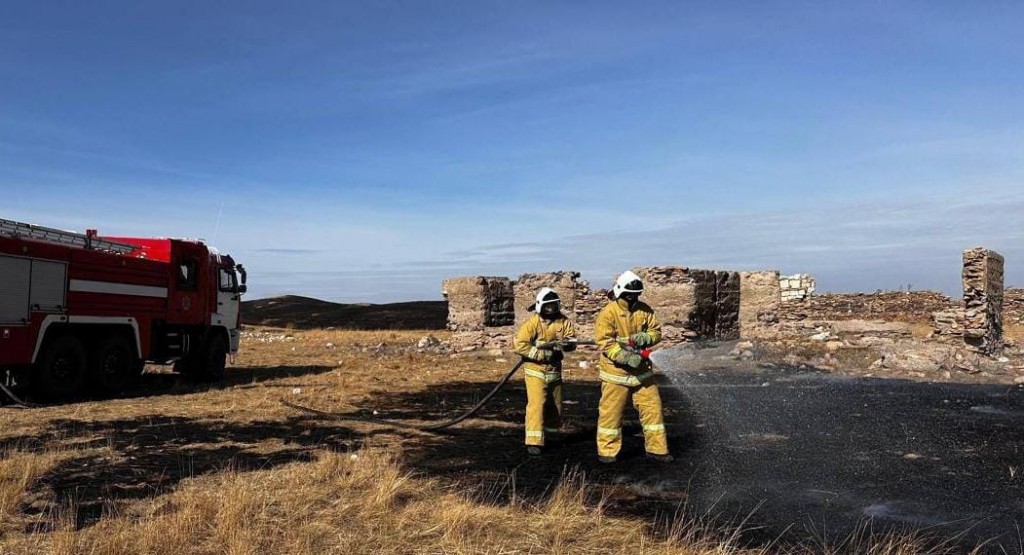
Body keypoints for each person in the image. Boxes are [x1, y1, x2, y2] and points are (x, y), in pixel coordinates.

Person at [594, 270, 672, 463]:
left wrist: (645, 337)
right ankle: (608, 452)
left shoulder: (645, 310)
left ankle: (657, 449)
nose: (633, 298)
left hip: (642, 374)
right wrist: (625, 357)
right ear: (620, 292)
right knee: (611, 414)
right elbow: (605, 343)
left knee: (653, 410)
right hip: (616, 375)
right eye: (629, 294)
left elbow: (656, 332)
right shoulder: (608, 313)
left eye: (636, 294)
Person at [513, 287, 577, 456]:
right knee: (537, 404)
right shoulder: (532, 324)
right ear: (541, 306)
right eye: (548, 306)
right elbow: (520, 345)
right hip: (536, 371)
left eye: (554, 305)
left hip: (554, 370)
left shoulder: (563, 321)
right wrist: (542, 354)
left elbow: (571, 339)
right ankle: (534, 441)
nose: (551, 309)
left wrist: (568, 345)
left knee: (555, 405)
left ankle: (551, 435)